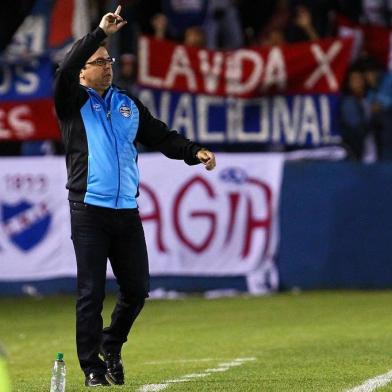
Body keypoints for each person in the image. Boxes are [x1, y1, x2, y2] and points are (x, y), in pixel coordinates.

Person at [53, 6, 216, 388]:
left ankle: (112, 344)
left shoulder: (126, 104)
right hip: (89, 210)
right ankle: (92, 367)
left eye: (108, 61)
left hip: (126, 211)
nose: (106, 66)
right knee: (90, 293)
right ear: (82, 71)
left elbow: (161, 135)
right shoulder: (72, 103)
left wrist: (194, 152)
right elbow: (64, 69)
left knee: (137, 290)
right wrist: (99, 33)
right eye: (97, 62)